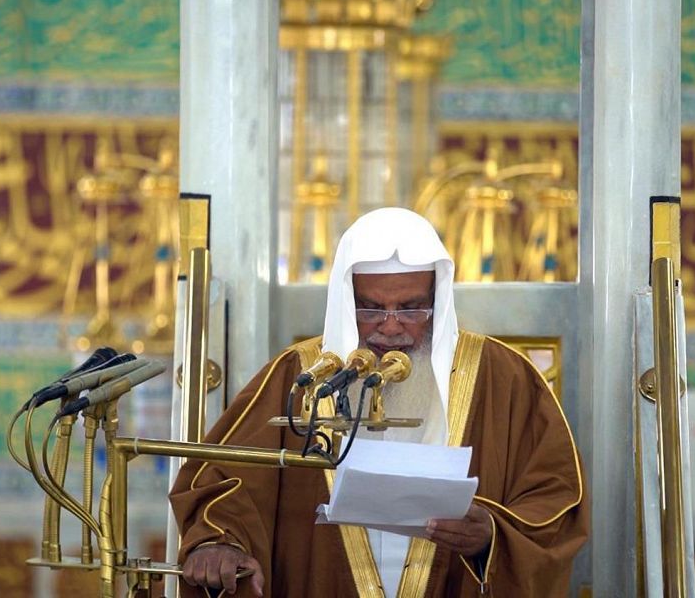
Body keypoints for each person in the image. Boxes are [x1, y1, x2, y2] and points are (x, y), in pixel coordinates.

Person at [170, 208, 588, 597]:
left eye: (411, 309)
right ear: (344, 301)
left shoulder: (504, 376)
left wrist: (492, 536)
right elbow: (224, 479)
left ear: (438, 302)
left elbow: (554, 498)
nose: (390, 328)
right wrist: (217, 542)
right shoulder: (300, 375)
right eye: (370, 308)